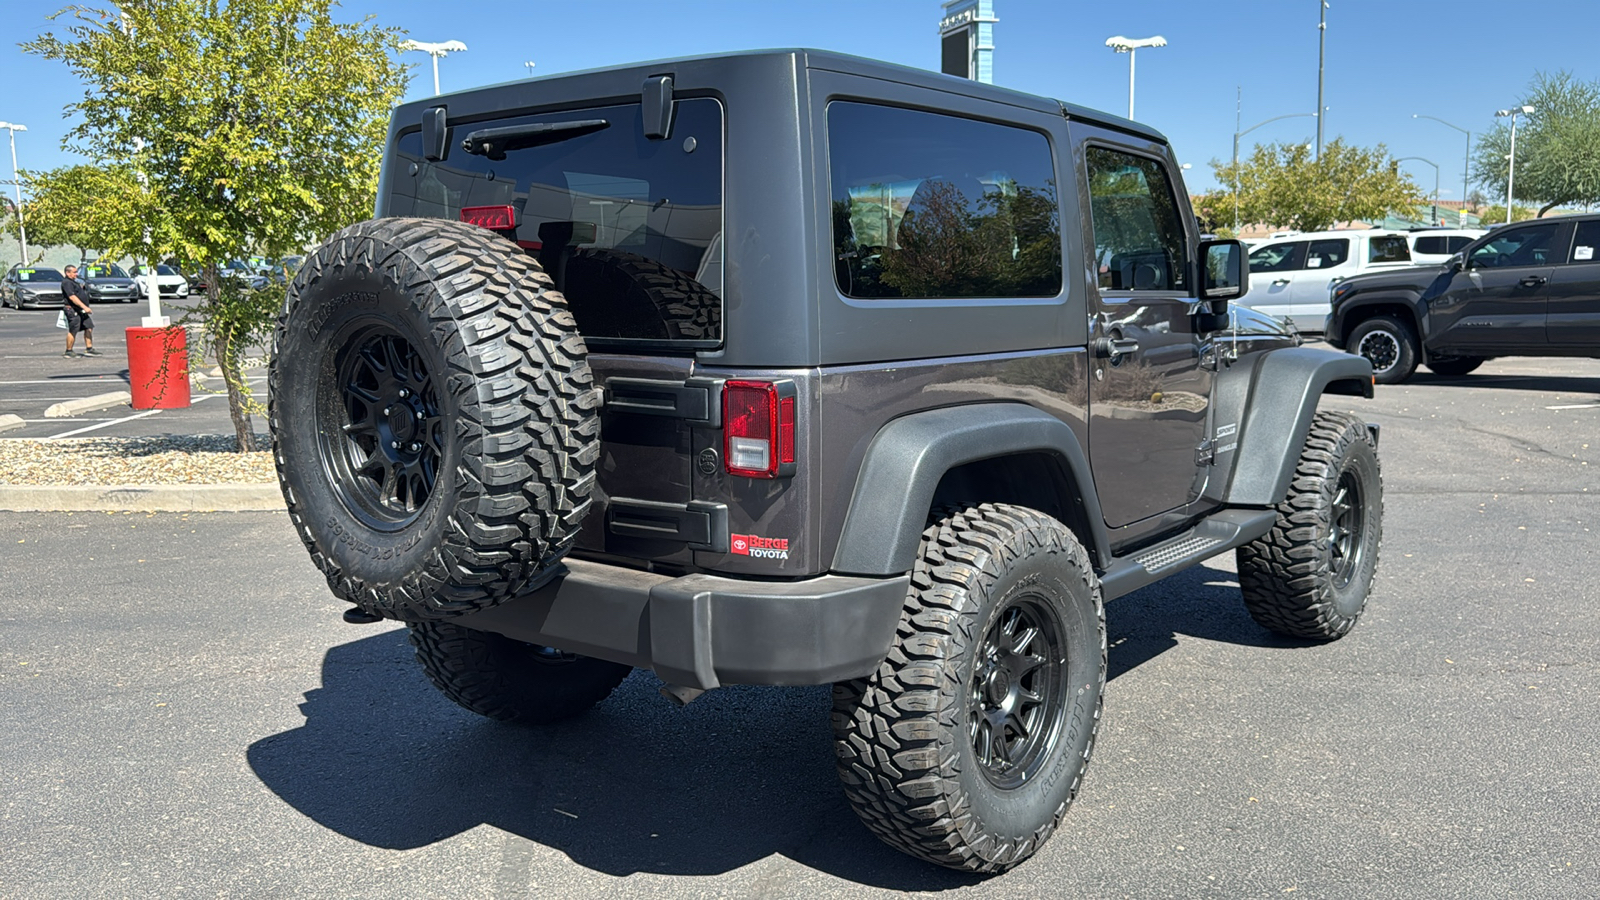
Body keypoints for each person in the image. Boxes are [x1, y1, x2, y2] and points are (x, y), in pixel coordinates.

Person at [60, 264, 100, 358]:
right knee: (73, 329)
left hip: (81, 310)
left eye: (76, 272)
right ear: (67, 273)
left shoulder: (74, 282)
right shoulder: (67, 283)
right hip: (72, 309)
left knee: (88, 326)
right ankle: (68, 351)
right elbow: (72, 297)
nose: (76, 274)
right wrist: (85, 307)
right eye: (74, 272)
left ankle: (89, 348)